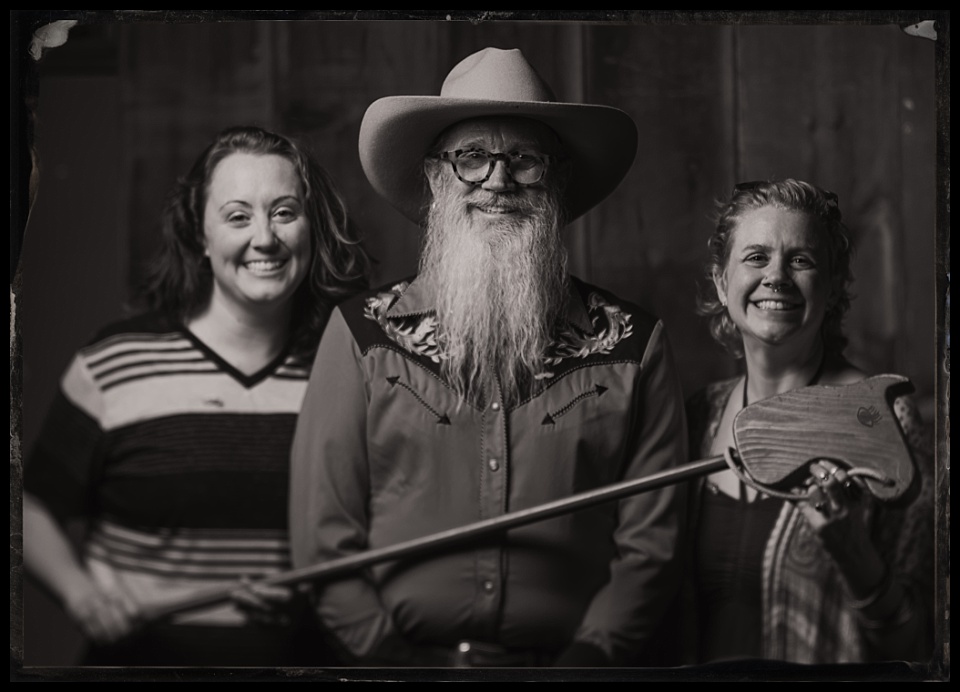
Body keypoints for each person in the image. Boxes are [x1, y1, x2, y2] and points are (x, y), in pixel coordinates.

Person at [289, 47, 688, 668]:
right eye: (471, 158)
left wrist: (589, 659)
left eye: (524, 160)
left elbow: (652, 548)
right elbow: (323, 540)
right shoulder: (362, 336)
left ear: (556, 178)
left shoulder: (634, 344)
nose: (497, 180)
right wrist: (395, 665)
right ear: (434, 177)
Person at [23, 125, 370, 666]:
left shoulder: (350, 371)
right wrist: (80, 592)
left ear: (313, 228)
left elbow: (372, 536)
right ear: (200, 237)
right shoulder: (118, 362)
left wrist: (312, 598)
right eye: (238, 216)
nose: (265, 238)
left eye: (284, 212)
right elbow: (31, 505)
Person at [684, 178, 934, 664]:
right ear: (721, 281)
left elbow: (921, 644)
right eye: (756, 257)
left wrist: (855, 557)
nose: (776, 276)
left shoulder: (880, 415)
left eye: (801, 260)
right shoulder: (700, 414)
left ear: (835, 283)